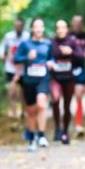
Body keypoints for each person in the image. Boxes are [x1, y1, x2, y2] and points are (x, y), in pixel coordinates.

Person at [11, 18, 52, 152]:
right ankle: (32, 138)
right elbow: (16, 58)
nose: (39, 29)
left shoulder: (47, 44)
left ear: (43, 28)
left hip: (43, 79)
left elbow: (51, 58)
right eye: (36, 26)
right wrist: (27, 57)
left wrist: (51, 62)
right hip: (29, 80)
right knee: (31, 111)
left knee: (41, 105)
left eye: (41, 26)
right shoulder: (25, 44)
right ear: (32, 29)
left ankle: (41, 135)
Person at [49, 19, 85, 145]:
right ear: (56, 29)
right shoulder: (51, 42)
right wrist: (57, 55)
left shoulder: (72, 42)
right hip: (55, 78)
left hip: (69, 78)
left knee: (67, 106)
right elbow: (47, 56)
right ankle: (57, 128)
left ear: (67, 29)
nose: (60, 30)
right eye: (58, 28)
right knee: (56, 99)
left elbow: (81, 57)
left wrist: (71, 52)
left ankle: (65, 132)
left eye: (63, 27)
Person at [0, 16, 29, 119]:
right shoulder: (8, 36)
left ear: (23, 26)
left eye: (20, 26)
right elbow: (2, 46)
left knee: (24, 93)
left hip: (24, 69)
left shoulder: (27, 36)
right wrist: (1, 54)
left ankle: (23, 112)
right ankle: (14, 113)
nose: (18, 28)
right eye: (16, 26)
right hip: (10, 68)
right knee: (12, 92)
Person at [70, 15, 85, 137]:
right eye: (75, 22)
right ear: (72, 23)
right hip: (67, 69)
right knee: (67, 97)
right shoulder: (67, 35)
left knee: (79, 96)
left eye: (80, 22)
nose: (77, 24)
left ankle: (79, 124)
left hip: (80, 68)